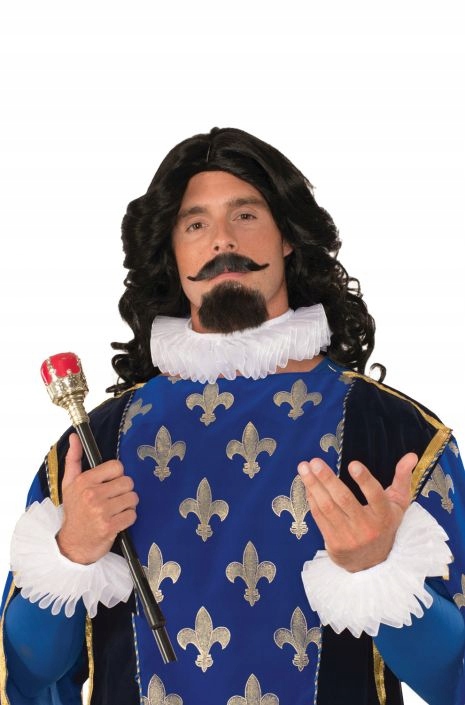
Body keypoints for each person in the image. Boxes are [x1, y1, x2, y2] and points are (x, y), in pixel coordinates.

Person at [1, 127, 464, 705]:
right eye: (195, 225)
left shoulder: (396, 434)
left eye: (245, 215)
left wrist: (380, 571)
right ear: (172, 253)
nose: (222, 239)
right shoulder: (93, 446)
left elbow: (454, 678)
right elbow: (26, 677)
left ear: (288, 237)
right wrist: (70, 552)